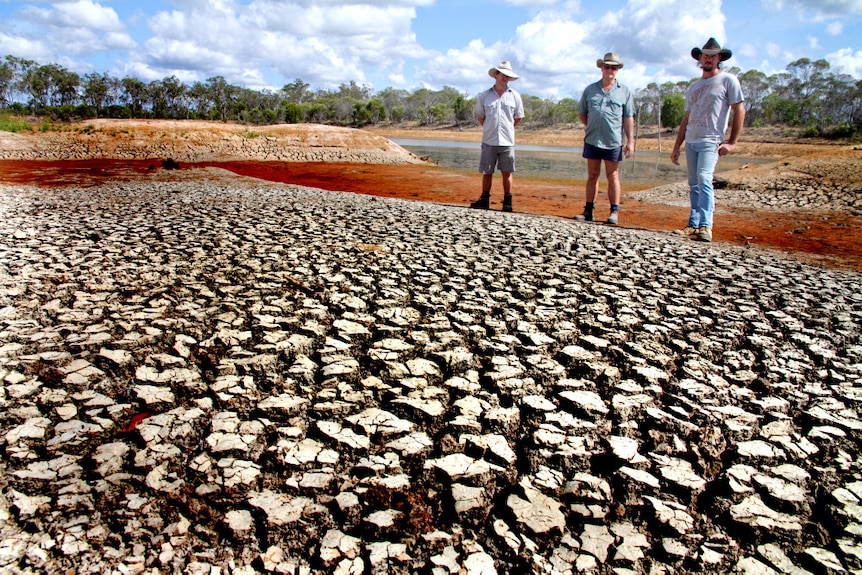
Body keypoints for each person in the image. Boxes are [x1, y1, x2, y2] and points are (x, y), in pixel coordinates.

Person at [671, 38, 745, 242]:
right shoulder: (694, 87)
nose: (708, 59)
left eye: (712, 55)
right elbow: (687, 118)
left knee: (704, 178)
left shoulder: (728, 80)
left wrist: (732, 142)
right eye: (705, 55)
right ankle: (693, 225)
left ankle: (706, 225)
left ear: (719, 58)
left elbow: (739, 109)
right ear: (700, 58)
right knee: (693, 183)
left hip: (711, 140)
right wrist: (677, 145)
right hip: (692, 140)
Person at [575, 52, 635, 225]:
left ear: (617, 70)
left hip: (613, 141)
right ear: (601, 68)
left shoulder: (624, 91)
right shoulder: (590, 90)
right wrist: (593, 126)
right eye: (607, 66)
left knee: (613, 175)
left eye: (613, 67)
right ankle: (588, 210)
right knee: (592, 175)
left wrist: (630, 141)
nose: (610, 70)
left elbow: (628, 117)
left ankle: (614, 211)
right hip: (593, 139)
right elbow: (582, 112)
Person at [470, 61, 525, 213]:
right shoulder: (485, 96)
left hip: (507, 140)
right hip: (489, 140)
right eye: (502, 75)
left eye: (507, 76)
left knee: (507, 172)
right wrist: (489, 128)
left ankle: (507, 201)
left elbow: (518, 117)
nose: (504, 78)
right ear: (496, 75)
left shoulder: (514, 96)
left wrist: (508, 127)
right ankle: (484, 199)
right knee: (487, 171)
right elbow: (480, 116)